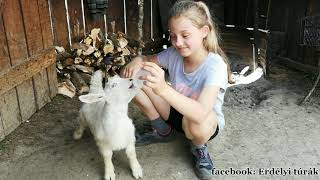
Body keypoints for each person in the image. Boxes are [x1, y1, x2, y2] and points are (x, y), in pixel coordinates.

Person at [121, 0, 230, 179]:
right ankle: (163, 130)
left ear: (204, 32)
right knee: (134, 77)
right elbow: (147, 60)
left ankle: (199, 148)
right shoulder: (174, 54)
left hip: (202, 123)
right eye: (173, 36)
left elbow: (201, 113)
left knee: (197, 123)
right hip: (175, 113)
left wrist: (163, 89)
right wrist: (138, 60)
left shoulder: (215, 65)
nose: (178, 43)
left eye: (185, 35)